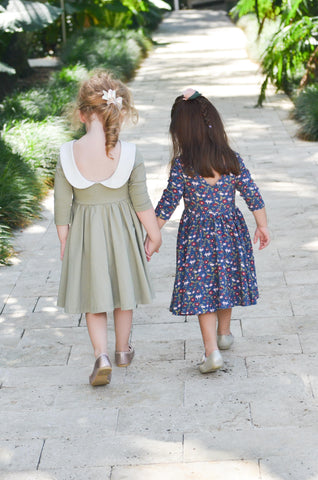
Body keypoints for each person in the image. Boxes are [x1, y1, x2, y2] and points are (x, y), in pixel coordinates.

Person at [146, 88, 270, 374]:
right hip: (230, 231)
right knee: (224, 282)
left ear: (181, 133)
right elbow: (253, 195)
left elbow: (167, 204)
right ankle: (224, 334)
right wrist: (262, 226)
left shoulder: (183, 166)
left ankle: (212, 351)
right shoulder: (230, 159)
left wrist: (153, 235)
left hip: (197, 236)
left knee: (204, 293)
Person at [54, 70, 161, 386]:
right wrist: (154, 235)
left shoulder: (67, 154)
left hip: (85, 236)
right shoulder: (129, 154)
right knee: (122, 295)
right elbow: (141, 203)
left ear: (81, 114)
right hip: (122, 235)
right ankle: (122, 350)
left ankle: (100, 355)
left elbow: (62, 206)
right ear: (119, 112)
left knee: (93, 299)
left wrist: (64, 240)